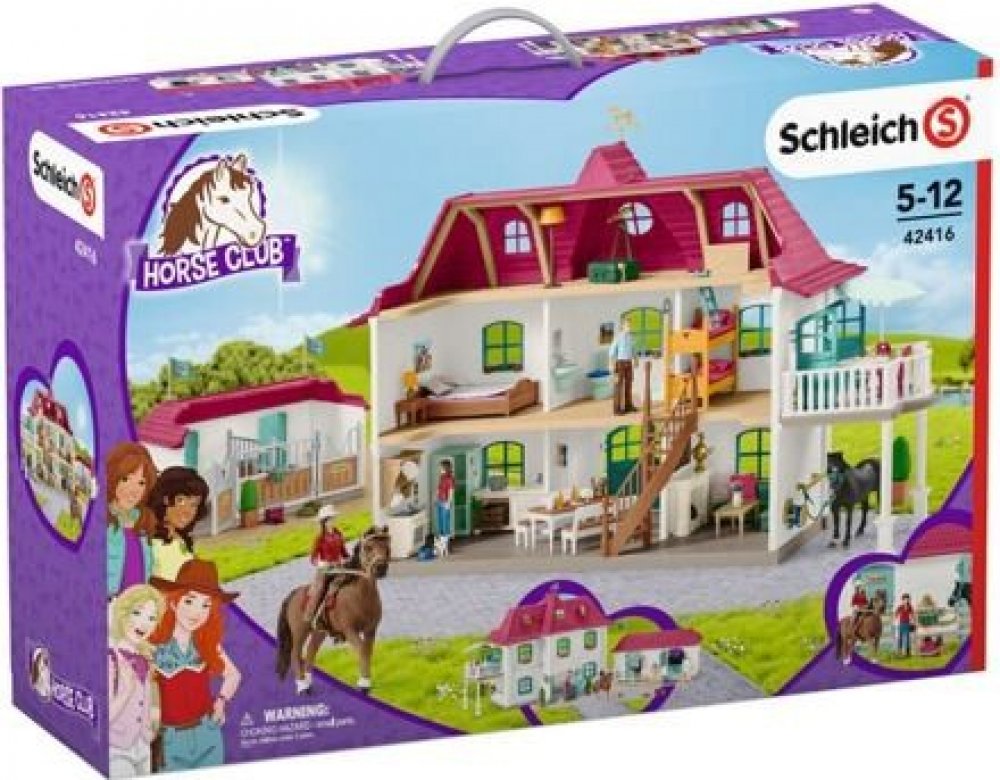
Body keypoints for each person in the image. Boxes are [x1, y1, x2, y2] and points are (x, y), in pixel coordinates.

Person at [149, 559, 241, 772]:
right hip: (169, 740)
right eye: (189, 601)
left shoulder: (206, 643)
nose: (196, 612)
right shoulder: (153, 645)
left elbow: (233, 675)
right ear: (174, 602)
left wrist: (221, 701)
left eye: (205, 605)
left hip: (208, 734)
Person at [108, 584, 165, 777]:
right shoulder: (111, 659)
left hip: (143, 744)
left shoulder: (146, 659)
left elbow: (151, 691)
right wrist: (125, 693)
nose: (144, 623)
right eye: (137, 612)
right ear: (122, 613)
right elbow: (103, 716)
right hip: (117, 746)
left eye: (152, 618)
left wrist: (154, 715)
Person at [106, 443, 158, 598]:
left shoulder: (143, 520)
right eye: (126, 479)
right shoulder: (101, 518)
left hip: (137, 602)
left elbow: (147, 565)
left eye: (141, 483)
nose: (133, 490)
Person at [148, 467, 209, 581]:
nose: (188, 511)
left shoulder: (179, 537)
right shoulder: (153, 542)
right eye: (181, 501)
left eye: (194, 504)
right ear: (165, 499)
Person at [304, 505, 350, 629]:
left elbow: (344, 553)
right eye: (329, 520)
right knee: (319, 590)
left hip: (339, 567)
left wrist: (349, 559)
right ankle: (312, 614)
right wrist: (322, 563)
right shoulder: (320, 538)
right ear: (323, 522)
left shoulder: (338, 534)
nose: (332, 522)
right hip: (325, 570)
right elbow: (313, 558)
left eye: (333, 519)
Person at [608, 315, 638, 415]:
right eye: (627, 325)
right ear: (622, 326)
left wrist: (636, 359)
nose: (630, 326)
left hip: (629, 363)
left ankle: (628, 406)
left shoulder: (631, 337)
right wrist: (611, 365)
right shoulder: (618, 337)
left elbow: (634, 350)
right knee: (618, 386)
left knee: (629, 385)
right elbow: (612, 352)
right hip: (619, 363)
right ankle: (617, 409)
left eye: (630, 324)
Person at [435, 460, 455, 549]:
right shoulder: (441, 477)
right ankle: (441, 542)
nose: (440, 468)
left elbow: (451, 491)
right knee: (439, 522)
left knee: (445, 522)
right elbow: (439, 489)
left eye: (441, 467)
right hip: (439, 501)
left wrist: (449, 502)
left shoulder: (450, 478)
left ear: (445, 467)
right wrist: (436, 498)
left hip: (445, 502)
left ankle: (446, 544)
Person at [895, 593, 916, 657]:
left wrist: (913, 622)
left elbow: (913, 615)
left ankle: (907, 652)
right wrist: (896, 618)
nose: (906, 601)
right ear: (902, 600)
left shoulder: (910, 607)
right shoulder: (900, 607)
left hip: (907, 624)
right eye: (905, 599)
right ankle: (899, 652)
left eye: (907, 599)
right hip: (901, 624)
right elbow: (896, 614)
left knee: (907, 638)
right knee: (900, 638)